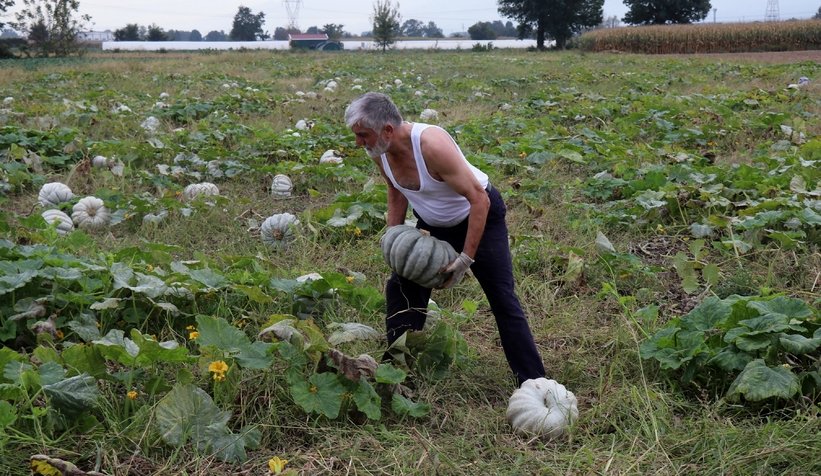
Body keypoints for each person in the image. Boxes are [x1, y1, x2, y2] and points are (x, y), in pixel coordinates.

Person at [344, 92, 546, 386]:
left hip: (479, 217)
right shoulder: (379, 150)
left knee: (502, 297)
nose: (358, 142)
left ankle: (533, 382)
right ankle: (398, 374)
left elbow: (479, 199)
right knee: (401, 289)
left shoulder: (431, 145)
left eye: (363, 135)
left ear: (387, 130)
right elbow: (396, 189)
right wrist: (393, 235)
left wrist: (466, 258)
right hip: (433, 222)